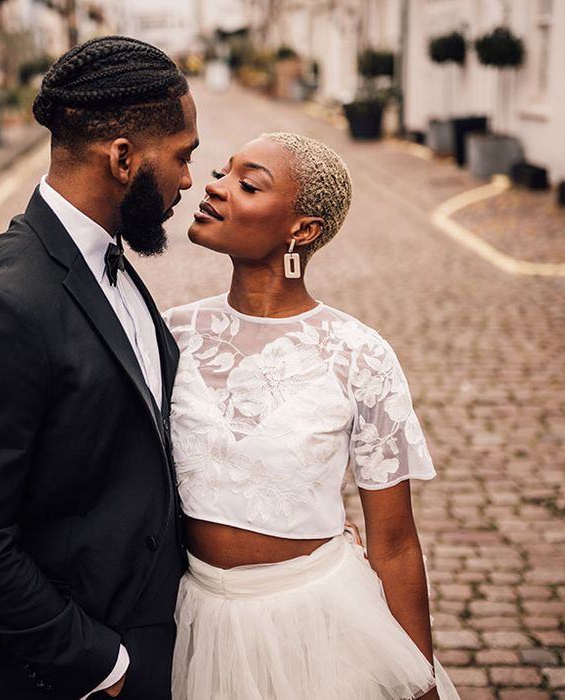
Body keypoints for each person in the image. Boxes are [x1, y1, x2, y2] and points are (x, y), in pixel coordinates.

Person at [0, 36, 199, 700]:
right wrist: (103, 666)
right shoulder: (1, 309)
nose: (189, 179)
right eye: (182, 156)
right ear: (122, 158)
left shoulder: (109, 261)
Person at [163, 132, 460, 699]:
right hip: (192, 619)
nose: (216, 187)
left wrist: (417, 676)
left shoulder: (358, 353)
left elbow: (395, 543)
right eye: (223, 173)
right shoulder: (173, 334)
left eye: (246, 184)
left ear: (301, 230)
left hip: (316, 623)